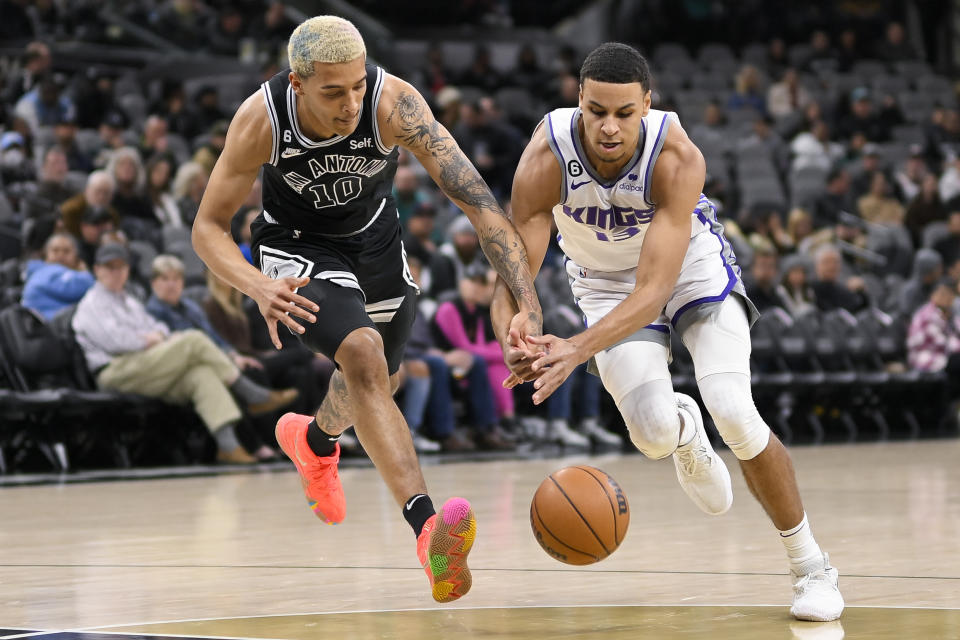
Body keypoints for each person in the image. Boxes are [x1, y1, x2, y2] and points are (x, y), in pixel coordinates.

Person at [191, 15, 542, 604]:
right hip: (296, 249)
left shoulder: (394, 104)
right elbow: (206, 228)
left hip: (376, 244)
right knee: (362, 352)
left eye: (357, 85)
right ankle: (427, 528)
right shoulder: (261, 119)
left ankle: (316, 442)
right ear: (298, 84)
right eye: (333, 91)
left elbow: (480, 204)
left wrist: (525, 304)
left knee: (381, 377)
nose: (351, 102)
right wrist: (256, 284)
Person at [489, 43, 843, 621]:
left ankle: (811, 567)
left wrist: (576, 349)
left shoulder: (676, 155)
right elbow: (514, 268)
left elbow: (653, 290)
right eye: (595, 110)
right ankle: (683, 430)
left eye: (624, 113)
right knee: (652, 434)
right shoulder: (545, 156)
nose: (608, 126)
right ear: (578, 99)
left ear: (647, 106)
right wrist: (515, 327)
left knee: (732, 404)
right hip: (602, 282)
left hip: (687, 268)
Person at [72, 243, 295, 464]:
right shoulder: (91, 304)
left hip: (143, 367)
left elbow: (158, 328)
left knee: (201, 374)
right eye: (109, 267)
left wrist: (152, 337)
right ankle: (252, 394)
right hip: (115, 371)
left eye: (120, 267)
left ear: (128, 270)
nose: (116, 272)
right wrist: (149, 338)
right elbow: (116, 342)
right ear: (97, 269)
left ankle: (229, 447)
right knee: (193, 339)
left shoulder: (130, 301)